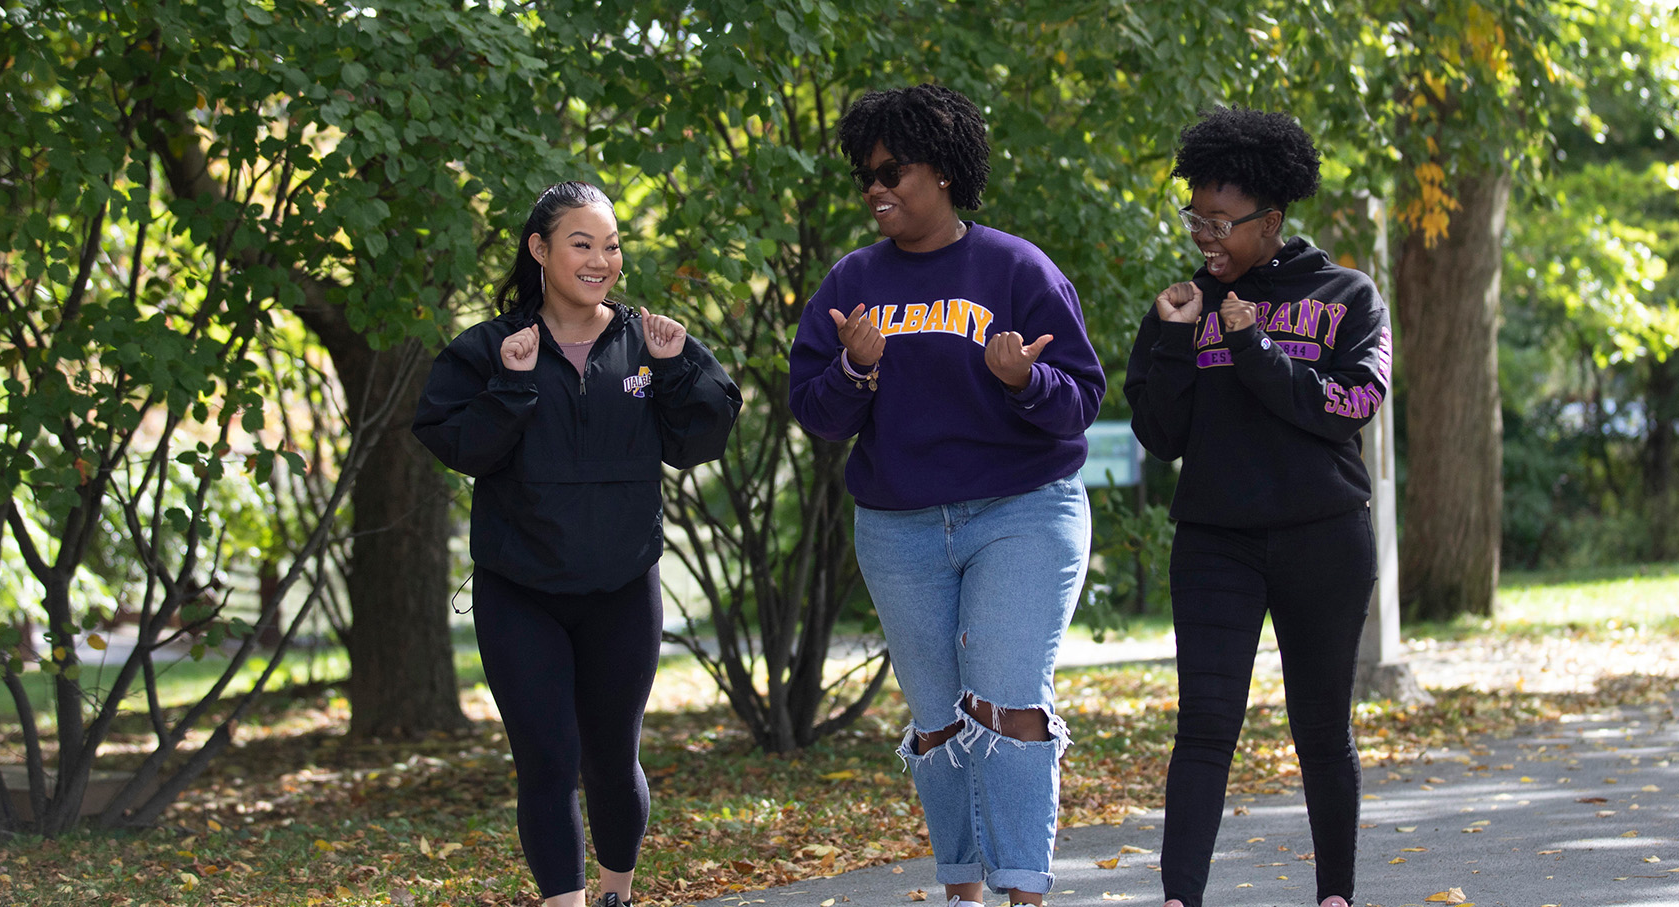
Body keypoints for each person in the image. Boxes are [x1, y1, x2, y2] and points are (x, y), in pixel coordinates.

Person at [787, 84, 1107, 907]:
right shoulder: (851, 280)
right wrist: (855, 367)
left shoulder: (1015, 267)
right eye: (865, 175)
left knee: (1004, 701)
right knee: (937, 722)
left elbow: (1081, 399)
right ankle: (964, 889)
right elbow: (816, 413)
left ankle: (1024, 892)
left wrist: (1024, 378)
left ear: (945, 170)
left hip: (1022, 510)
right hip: (898, 527)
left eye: (892, 170)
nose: (875, 189)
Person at [412, 181, 742, 907]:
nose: (601, 259)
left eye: (612, 245)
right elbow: (459, 445)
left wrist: (682, 365)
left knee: (610, 759)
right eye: (582, 243)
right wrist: (513, 385)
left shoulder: (647, 342)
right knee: (546, 759)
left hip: (622, 587)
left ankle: (615, 892)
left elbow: (701, 439)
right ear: (540, 249)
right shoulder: (492, 348)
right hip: (518, 589)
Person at [1124, 107, 1391, 907]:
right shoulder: (1182, 303)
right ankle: (1180, 898)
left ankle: (1335, 895)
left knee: (1320, 730)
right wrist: (1175, 339)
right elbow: (1160, 435)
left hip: (1324, 538)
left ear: (1270, 221)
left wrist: (1254, 347)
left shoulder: (1346, 295)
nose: (1204, 235)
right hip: (1214, 542)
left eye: (1220, 221)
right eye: (1194, 217)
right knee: (1205, 727)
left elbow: (1348, 405)